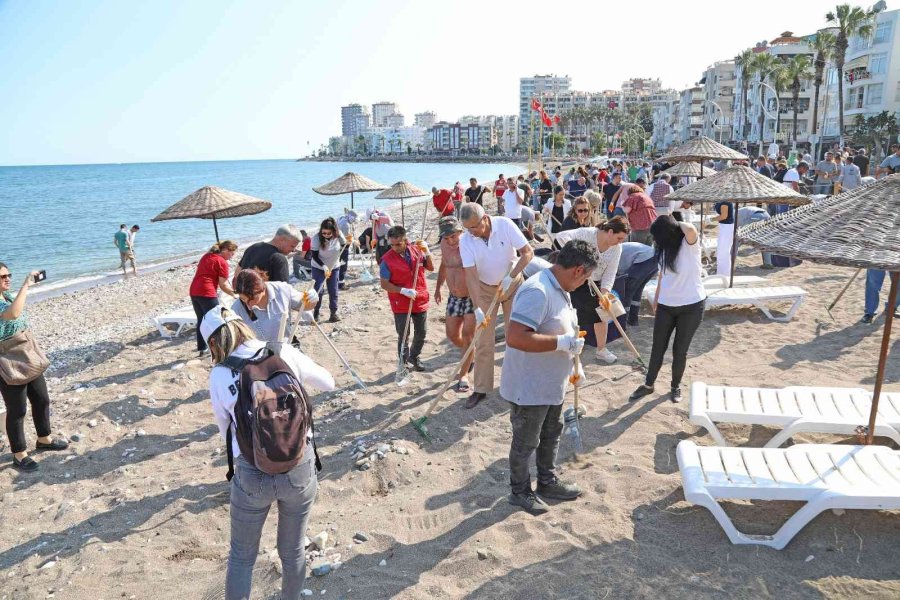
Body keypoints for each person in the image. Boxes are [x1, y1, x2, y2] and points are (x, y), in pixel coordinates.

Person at [203, 305, 334, 600]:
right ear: (242, 325)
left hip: (252, 473)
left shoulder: (220, 373)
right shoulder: (281, 351)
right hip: (299, 464)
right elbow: (329, 382)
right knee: (293, 550)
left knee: (241, 557)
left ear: (214, 342)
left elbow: (224, 428)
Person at [500, 239, 599, 513]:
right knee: (526, 440)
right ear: (578, 270)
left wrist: (573, 362)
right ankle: (519, 491)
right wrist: (562, 344)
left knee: (551, 433)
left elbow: (557, 326)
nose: (583, 283)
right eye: (586, 277)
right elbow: (516, 337)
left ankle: (546, 481)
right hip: (529, 385)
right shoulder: (538, 291)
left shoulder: (560, 287)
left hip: (551, 382)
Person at [459, 203, 533, 408]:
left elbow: (527, 253)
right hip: (485, 289)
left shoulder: (505, 224)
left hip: (513, 285)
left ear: (485, 218)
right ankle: (481, 389)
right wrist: (477, 308)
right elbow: (471, 276)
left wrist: (511, 276)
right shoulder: (465, 240)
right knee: (483, 341)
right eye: (468, 229)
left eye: (475, 227)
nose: (472, 232)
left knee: (516, 337)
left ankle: (518, 384)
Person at [0, 263, 68, 472]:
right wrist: (26, 285)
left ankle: (44, 439)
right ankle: (19, 455)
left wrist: (23, 287)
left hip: (27, 353)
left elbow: (15, 310)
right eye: (2, 277)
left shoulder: (7, 296)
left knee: (41, 398)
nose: (7, 279)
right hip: (8, 359)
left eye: (8, 275)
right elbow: (12, 314)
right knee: (18, 409)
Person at [630, 217, 706, 404]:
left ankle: (675, 386)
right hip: (666, 305)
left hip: (691, 305)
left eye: (657, 236)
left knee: (680, 350)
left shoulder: (690, 245)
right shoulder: (663, 250)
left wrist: (671, 223)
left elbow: (689, 229)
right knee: (658, 348)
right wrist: (656, 299)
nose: (655, 240)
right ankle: (648, 385)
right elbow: (662, 277)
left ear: (668, 235)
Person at [555, 217, 629, 363]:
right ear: (610, 232)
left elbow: (610, 272)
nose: (620, 241)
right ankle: (569, 347)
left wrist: (605, 293)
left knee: (602, 314)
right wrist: (578, 257)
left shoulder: (617, 248)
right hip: (574, 278)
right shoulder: (587, 234)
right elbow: (561, 237)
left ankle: (601, 350)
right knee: (570, 314)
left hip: (594, 283)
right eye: (619, 237)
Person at [379, 226, 434, 372]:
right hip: (400, 302)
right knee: (403, 334)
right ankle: (403, 363)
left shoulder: (417, 250)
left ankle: (414, 356)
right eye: (391, 244)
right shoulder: (387, 260)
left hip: (419, 297)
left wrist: (427, 252)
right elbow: (384, 283)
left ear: (405, 240)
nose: (395, 248)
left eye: (398, 244)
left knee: (421, 332)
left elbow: (431, 267)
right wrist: (402, 290)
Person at [434, 217, 476, 393]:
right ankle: (470, 354)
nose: (450, 240)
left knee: (467, 336)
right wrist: (438, 287)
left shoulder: (470, 244)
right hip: (453, 297)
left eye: (453, 236)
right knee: (452, 335)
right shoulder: (444, 245)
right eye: (446, 237)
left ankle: (463, 374)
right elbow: (444, 265)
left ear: (460, 231)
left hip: (472, 297)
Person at [231, 269, 318, 343]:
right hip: (258, 356)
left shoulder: (282, 290)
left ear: (262, 289)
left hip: (286, 347)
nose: (248, 305)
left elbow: (305, 306)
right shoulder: (237, 309)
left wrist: (312, 299)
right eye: (243, 299)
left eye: (252, 299)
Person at [190, 240, 238, 355]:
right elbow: (223, 285)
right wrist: (234, 294)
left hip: (194, 290)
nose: (232, 257)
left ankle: (202, 348)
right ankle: (220, 348)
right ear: (225, 250)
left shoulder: (206, 256)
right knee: (217, 320)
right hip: (207, 292)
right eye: (232, 254)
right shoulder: (222, 262)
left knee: (201, 319)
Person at [309, 217, 346, 323]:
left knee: (333, 290)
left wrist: (350, 242)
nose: (326, 235)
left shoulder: (339, 235)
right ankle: (316, 313)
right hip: (318, 267)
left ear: (334, 232)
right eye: (324, 233)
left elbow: (345, 246)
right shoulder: (316, 238)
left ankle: (333, 314)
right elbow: (314, 256)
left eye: (328, 233)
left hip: (334, 267)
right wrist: (324, 266)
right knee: (319, 290)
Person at [235, 225, 301, 284]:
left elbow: (237, 273)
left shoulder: (253, 247)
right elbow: (283, 290)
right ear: (282, 239)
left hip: (245, 295)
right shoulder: (279, 258)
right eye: (292, 246)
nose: (293, 250)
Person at [615, 242, 658, 326]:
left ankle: (622, 322)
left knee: (627, 289)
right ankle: (633, 320)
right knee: (637, 290)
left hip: (644, 259)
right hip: (653, 259)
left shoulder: (610, 253)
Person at [622, 180, 657, 245]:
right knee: (647, 249)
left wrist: (622, 205)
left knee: (637, 248)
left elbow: (626, 210)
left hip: (640, 227)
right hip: (652, 225)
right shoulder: (646, 196)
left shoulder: (633, 196)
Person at [336, 210, 359, 290]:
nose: (354, 220)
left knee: (339, 265)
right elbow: (347, 239)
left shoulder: (342, 219)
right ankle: (341, 284)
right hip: (342, 247)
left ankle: (338, 282)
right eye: (354, 218)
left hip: (339, 246)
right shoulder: (345, 224)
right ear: (350, 216)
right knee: (343, 265)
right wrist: (354, 241)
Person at [713, 199, 735, 276]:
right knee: (721, 251)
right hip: (723, 226)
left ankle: (724, 274)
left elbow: (723, 216)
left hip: (727, 227)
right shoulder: (720, 199)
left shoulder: (725, 201)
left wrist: (711, 220)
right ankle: (721, 273)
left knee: (723, 252)